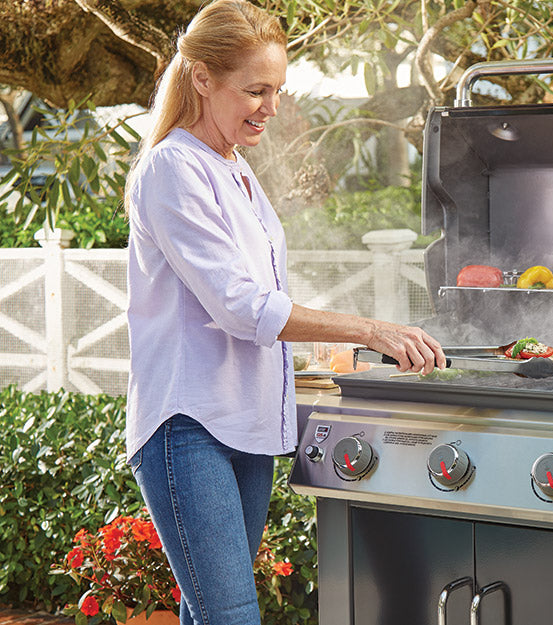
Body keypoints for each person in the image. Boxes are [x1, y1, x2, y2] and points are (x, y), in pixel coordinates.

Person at [124, 1, 445, 623]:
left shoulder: (235, 169)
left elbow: (258, 296)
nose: (271, 106)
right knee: (230, 615)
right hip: (187, 423)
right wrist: (371, 330)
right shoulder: (171, 168)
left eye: (277, 89)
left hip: (242, 422)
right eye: (255, 90)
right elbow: (241, 306)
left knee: (208, 613)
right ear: (202, 79)